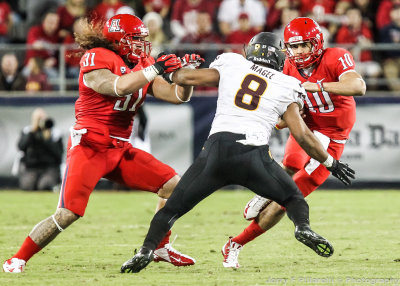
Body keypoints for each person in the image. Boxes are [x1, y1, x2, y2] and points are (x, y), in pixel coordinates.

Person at [119, 32, 355, 273]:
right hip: (253, 155)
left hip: (216, 151)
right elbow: (303, 135)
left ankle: (146, 250)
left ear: (250, 50)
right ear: (279, 56)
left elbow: (186, 77)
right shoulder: (287, 83)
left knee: (171, 209)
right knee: (293, 199)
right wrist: (331, 163)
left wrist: (169, 68)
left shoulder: (232, 63)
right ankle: (302, 227)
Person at [3, 14, 199, 273]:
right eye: (136, 40)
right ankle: (17, 259)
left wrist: (186, 78)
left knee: (174, 186)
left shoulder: (142, 62)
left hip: (120, 149)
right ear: (119, 40)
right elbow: (115, 87)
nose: (142, 45)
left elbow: (176, 96)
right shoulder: (97, 56)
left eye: (143, 40)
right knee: (67, 214)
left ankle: (160, 247)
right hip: (90, 146)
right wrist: (154, 69)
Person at [225, 17, 366, 268]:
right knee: (290, 164)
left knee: (288, 199)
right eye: (294, 46)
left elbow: (358, 85)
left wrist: (318, 86)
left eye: (304, 46)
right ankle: (264, 192)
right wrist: (281, 118)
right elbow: (282, 110)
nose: (299, 52)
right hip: (306, 128)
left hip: (333, 137)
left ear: (318, 43)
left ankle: (235, 243)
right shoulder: (287, 66)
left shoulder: (335, 56)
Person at [16, 108, 64, 191]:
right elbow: (21, 147)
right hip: (32, 167)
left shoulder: (55, 133)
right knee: (27, 186)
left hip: (50, 168)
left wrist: (47, 139)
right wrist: (33, 132)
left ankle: (54, 185)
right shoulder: (28, 131)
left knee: (44, 186)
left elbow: (59, 153)